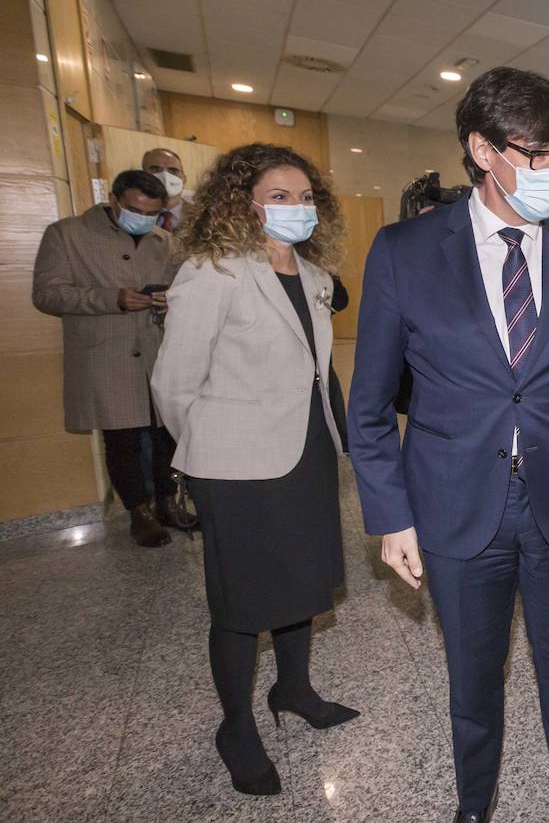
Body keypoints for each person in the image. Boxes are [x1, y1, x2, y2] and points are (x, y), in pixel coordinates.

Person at [348, 67, 549, 823]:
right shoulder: (405, 251)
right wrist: (390, 515)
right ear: (481, 149)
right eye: (536, 155)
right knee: (473, 672)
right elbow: (370, 406)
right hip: (452, 504)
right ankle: (475, 800)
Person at [151, 143, 357, 796]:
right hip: (235, 465)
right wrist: (209, 456)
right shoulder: (213, 271)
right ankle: (236, 725)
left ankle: (293, 688)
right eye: (279, 196)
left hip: (306, 453)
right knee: (242, 602)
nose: (296, 209)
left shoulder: (315, 275)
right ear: (244, 203)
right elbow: (174, 383)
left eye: (304, 198)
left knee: (302, 581)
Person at [32, 169, 187, 546]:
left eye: (152, 213)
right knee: (122, 439)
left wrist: (171, 299)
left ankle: (167, 502)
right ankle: (138, 512)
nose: (143, 219)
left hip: (155, 348)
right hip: (105, 354)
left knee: (165, 433)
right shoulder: (67, 234)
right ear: (114, 200)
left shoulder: (163, 241)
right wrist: (111, 298)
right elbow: (47, 294)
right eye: (135, 209)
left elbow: (181, 288)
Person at [142, 147, 192, 231]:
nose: (165, 176)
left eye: (173, 170)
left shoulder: (200, 213)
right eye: (156, 169)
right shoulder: (133, 213)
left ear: (184, 179)